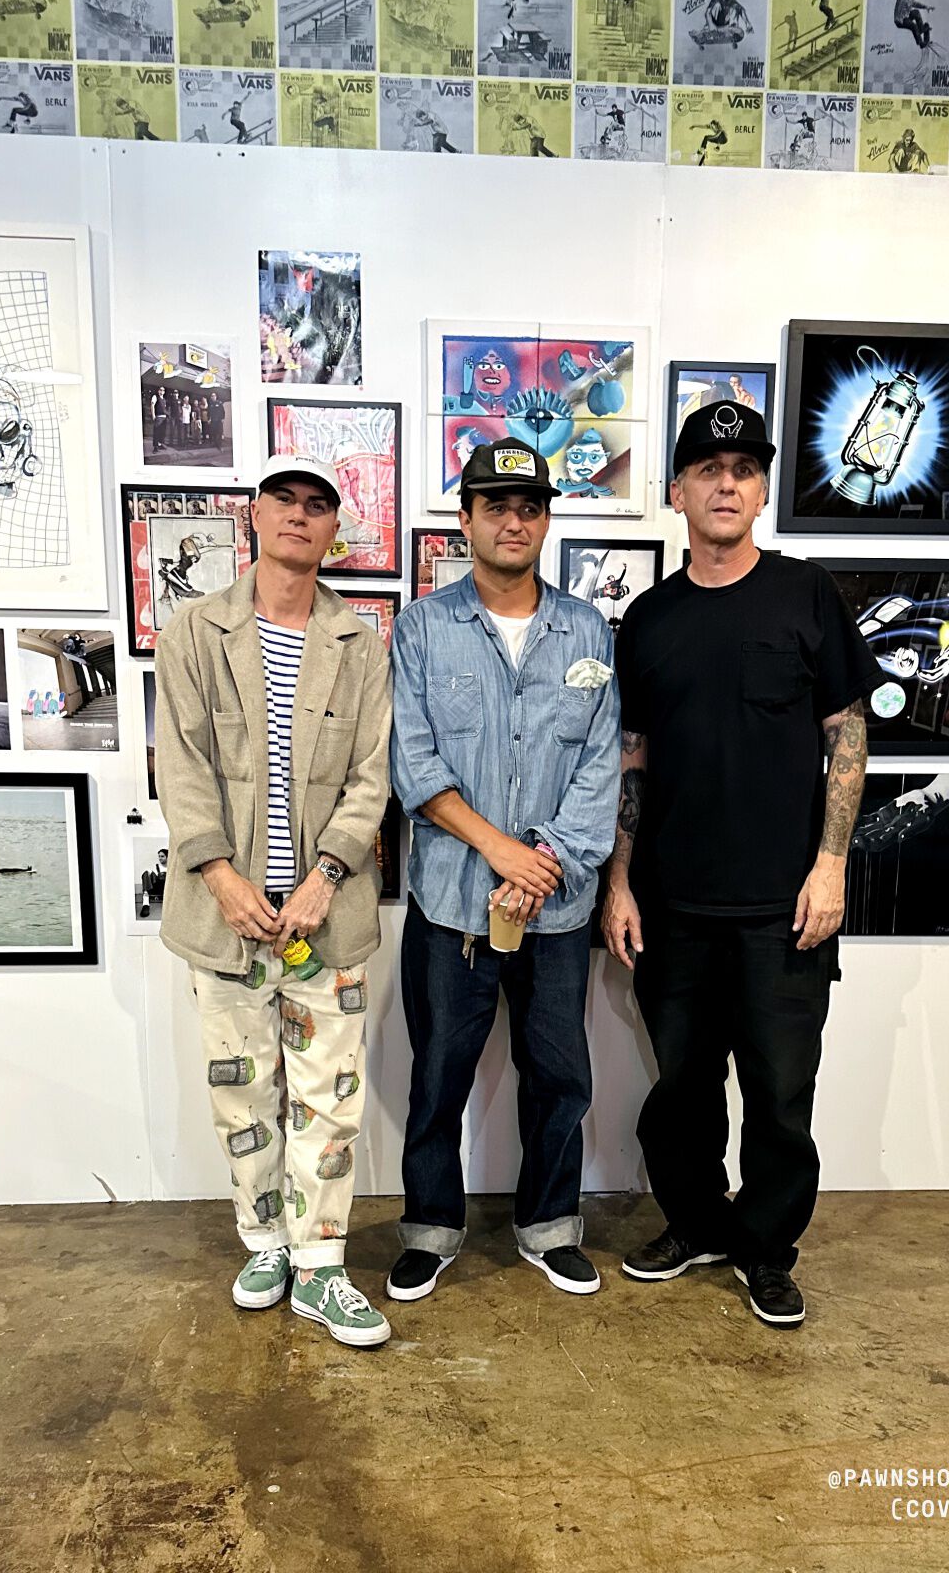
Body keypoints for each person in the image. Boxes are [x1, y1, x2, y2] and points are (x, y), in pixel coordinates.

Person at [603, 401, 885, 1329]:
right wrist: (618, 881)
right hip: (674, 905)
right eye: (708, 468)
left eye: (745, 469)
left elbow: (848, 737)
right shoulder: (647, 619)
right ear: (677, 489)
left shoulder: (806, 596)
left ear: (762, 489)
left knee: (778, 1094)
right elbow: (632, 756)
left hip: (783, 908)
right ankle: (695, 1225)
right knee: (679, 1091)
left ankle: (763, 1247)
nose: (727, 484)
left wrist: (832, 864)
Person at [154, 452, 394, 1349]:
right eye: (283, 500)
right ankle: (263, 1242)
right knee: (241, 1089)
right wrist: (220, 876)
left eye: (317, 505)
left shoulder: (359, 641)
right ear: (252, 515)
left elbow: (374, 776)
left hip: (327, 918)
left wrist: (325, 877)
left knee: (328, 1096)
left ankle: (321, 1266)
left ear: (336, 528)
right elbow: (179, 767)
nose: (299, 515)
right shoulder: (193, 632)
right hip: (224, 916)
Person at [387, 438, 620, 1303]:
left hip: (555, 910)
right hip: (452, 905)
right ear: (467, 518)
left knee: (561, 1075)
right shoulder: (420, 629)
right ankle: (431, 1228)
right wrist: (501, 850)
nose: (514, 521)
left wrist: (543, 863)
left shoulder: (588, 631)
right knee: (439, 1075)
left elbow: (600, 765)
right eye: (496, 506)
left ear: (547, 520)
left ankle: (550, 1224)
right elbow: (413, 766)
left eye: (529, 508)